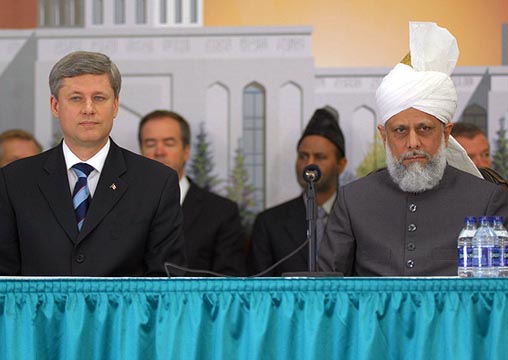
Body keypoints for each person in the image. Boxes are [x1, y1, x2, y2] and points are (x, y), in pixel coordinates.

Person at [319, 22, 508, 276]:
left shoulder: (486, 200)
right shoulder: (353, 200)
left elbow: (495, 299)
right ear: (384, 136)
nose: (412, 142)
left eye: (424, 129)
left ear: (446, 133)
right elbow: (327, 292)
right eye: (400, 131)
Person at [0, 51, 185, 276]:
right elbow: (5, 279)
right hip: (39, 312)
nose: (89, 109)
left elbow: (165, 281)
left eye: (99, 98)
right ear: (55, 106)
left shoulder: (156, 182)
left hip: (126, 312)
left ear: (115, 105)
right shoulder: (14, 181)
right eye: (76, 98)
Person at [138, 110, 246, 276]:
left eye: (169, 143)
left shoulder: (222, 212)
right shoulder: (123, 206)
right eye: (150, 144)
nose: (159, 152)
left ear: (186, 152)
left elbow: (229, 281)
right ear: (141, 152)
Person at [248, 107, 347, 276]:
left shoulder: (356, 220)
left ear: (341, 165)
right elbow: (259, 293)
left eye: (320, 157)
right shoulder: (269, 224)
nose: (309, 164)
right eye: (303, 156)